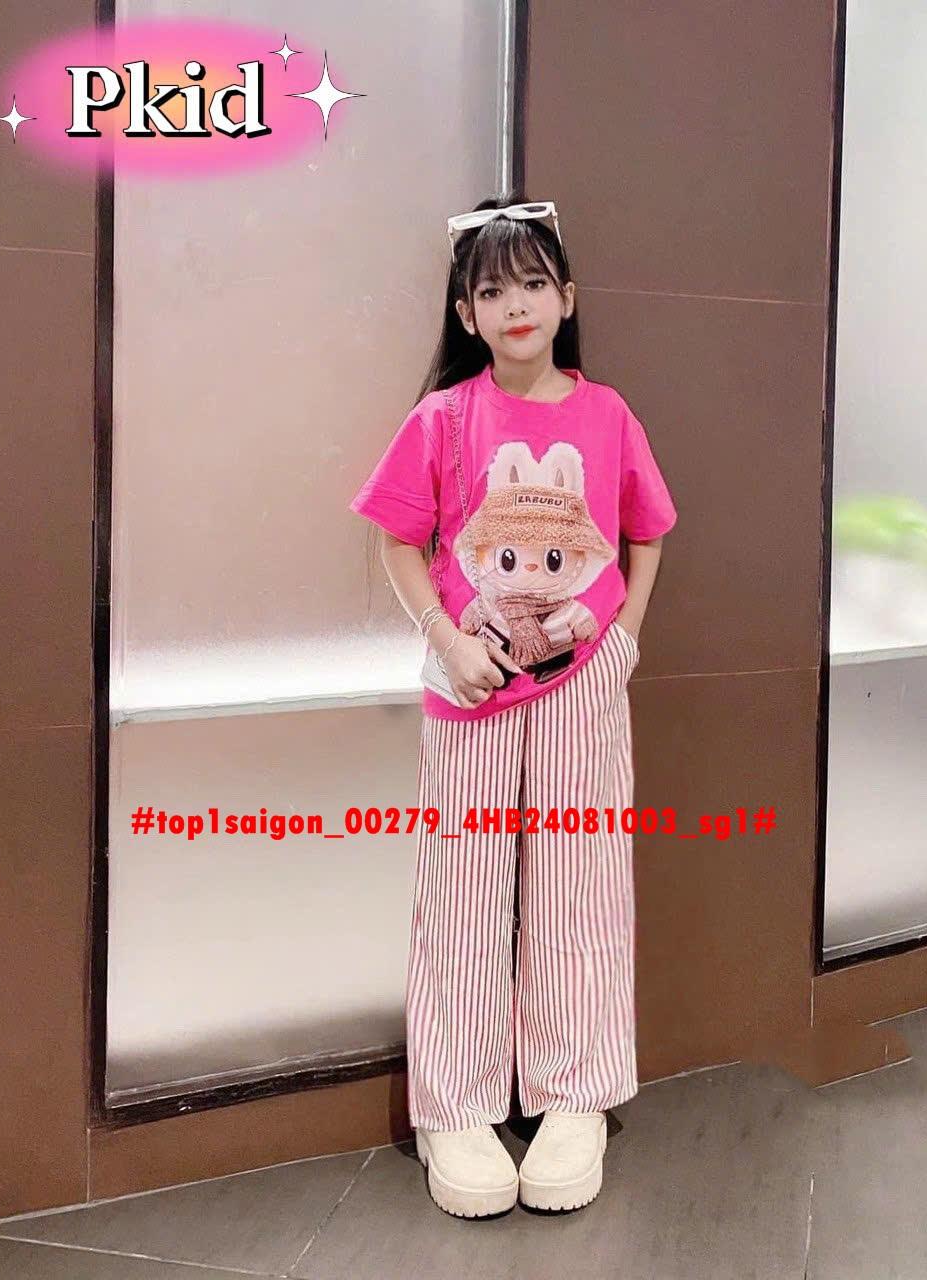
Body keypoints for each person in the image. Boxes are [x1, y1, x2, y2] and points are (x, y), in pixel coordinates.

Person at [349, 191, 677, 1218]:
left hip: (584, 687)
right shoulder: (443, 419)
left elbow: (645, 533)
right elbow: (397, 541)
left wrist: (622, 641)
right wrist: (447, 641)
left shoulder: (607, 413)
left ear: (566, 297)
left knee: (581, 885)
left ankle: (575, 1094)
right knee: (462, 892)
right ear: (466, 314)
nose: (516, 305)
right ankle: (455, 1105)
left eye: (533, 283)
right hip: (469, 690)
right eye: (493, 291)